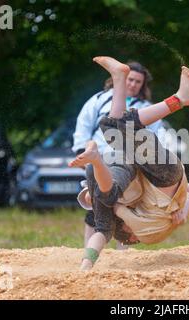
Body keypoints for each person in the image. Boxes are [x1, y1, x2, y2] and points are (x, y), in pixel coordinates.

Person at [69, 56, 189, 270]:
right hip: (154, 169)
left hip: (130, 162)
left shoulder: (136, 207)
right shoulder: (150, 230)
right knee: (107, 192)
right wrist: (183, 212)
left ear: (128, 232)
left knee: (113, 127)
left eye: (136, 81)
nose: (134, 240)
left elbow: (105, 224)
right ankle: (179, 98)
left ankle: (123, 78)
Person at [72, 61, 164, 249]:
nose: (133, 84)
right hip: (100, 157)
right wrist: (82, 152)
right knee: (97, 205)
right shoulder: (100, 99)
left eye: (138, 82)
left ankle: (123, 254)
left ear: (143, 85)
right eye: (130, 80)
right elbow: (84, 124)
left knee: (127, 207)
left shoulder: (146, 107)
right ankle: (88, 248)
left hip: (129, 162)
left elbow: (156, 137)